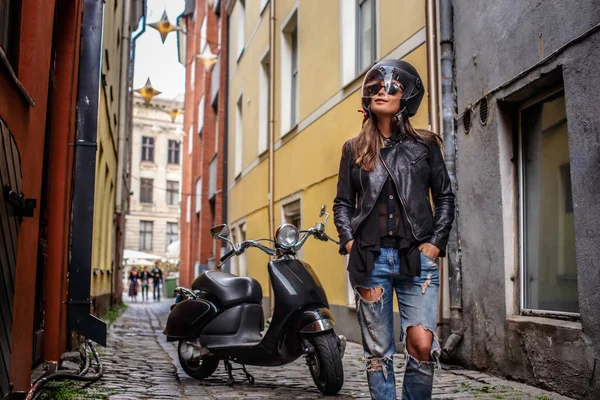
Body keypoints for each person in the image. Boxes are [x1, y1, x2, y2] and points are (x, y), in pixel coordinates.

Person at [333, 59, 455, 399]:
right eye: (375, 88)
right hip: (370, 259)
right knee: (378, 351)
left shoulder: (426, 145)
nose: (381, 92)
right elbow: (342, 203)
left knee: (420, 344)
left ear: (408, 96)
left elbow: (444, 197)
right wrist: (348, 242)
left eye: (391, 88)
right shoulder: (353, 148)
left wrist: (434, 243)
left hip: (416, 258)